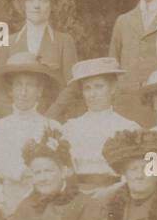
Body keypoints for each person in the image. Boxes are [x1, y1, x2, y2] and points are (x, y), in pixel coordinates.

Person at [0, 53, 58, 218]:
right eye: (18, 85)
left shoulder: (52, 127)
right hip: (8, 203)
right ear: (10, 91)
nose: (23, 92)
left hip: (45, 204)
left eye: (30, 85)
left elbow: (62, 171)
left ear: (40, 91)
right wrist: (2, 204)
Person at [0, 0, 79, 120]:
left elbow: (71, 85)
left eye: (43, 0)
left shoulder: (64, 41)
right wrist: (11, 115)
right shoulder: (7, 40)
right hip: (14, 119)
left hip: (51, 119)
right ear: (23, 5)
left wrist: (50, 115)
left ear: (51, 6)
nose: (37, 5)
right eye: (31, 0)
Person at [60, 57, 141, 193]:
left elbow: (142, 170)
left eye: (99, 87)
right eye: (87, 88)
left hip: (116, 194)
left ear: (112, 88)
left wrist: (111, 191)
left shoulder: (129, 127)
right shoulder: (70, 127)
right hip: (77, 196)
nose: (92, 94)